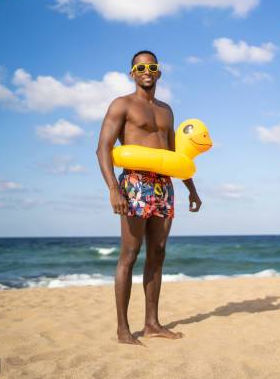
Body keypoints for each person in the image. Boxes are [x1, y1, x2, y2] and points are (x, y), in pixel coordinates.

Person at [96, 50, 202, 345]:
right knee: (129, 255)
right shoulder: (122, 105)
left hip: (163, 186)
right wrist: (113, 189)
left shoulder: (166, 110)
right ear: (132, 73)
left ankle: (152, 323)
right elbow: (102, 148)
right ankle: (122, 330)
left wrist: (190, 188)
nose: (147, 71)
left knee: (157, 254)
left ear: (159, 72)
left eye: (152, 66)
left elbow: (173, 155)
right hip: (134, 184)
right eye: (140, 67)